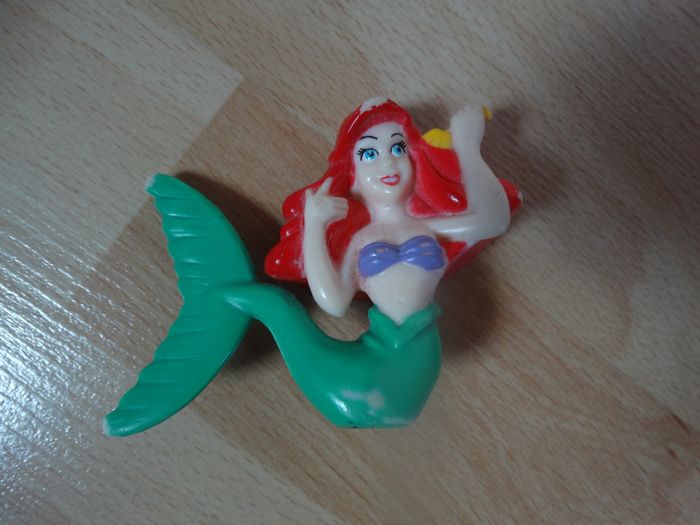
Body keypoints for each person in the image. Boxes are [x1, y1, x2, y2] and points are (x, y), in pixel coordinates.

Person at [104, 98, 521, 436]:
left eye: (398, 149)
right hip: (358, 386)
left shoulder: (426, 226)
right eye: (369, 154)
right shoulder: (360, 241)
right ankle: (219, 299)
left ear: (414, 159)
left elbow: (493, 219)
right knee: (274, 306)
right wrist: (315, 225)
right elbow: (334, 303)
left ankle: (222, 297)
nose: (388, 164)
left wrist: (468, 147)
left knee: (273, 306)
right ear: (353, 176)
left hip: (400, 377)